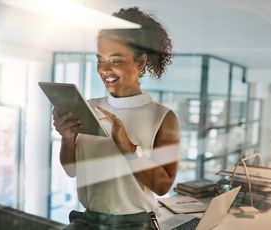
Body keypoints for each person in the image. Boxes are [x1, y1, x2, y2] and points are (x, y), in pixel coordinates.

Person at [52, 7, 180, 229]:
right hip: (89, 221)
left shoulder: (163, 117)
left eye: (116, 60)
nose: (105, 69)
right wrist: (67, 137)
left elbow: (163, 185)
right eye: (100, 59)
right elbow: (71, 169)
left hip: (135, 225)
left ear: (140, 63)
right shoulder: (89, 107)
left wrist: (128, 148)